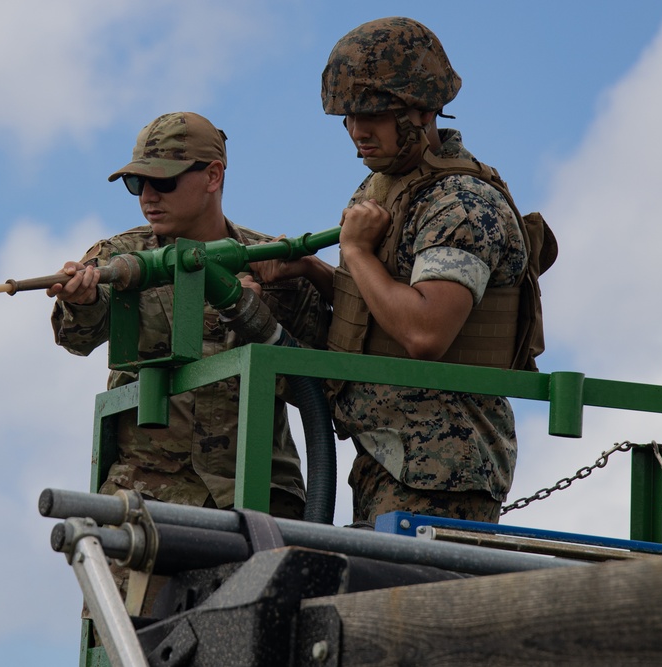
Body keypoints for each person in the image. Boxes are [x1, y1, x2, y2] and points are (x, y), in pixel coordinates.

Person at [254, 17, 548, 527]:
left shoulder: (462, 202)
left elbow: (424, 330)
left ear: (424, 109)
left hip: (443, 469)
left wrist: (358, 253)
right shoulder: (384, 187)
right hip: (386, 455)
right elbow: (376, 305)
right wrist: (315, 270)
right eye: (347, 115)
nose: (357, 130)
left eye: (375, 113)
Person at [50, 111, 330, 521]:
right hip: (149, 494)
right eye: (136, 183)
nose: (147, 196)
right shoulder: (121, 257)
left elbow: (320, 384)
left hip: (261, 495)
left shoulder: (276, 264)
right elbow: (76, 338)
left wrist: (259, 315)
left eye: (163, 181)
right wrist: (82, 300)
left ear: (213, 176)